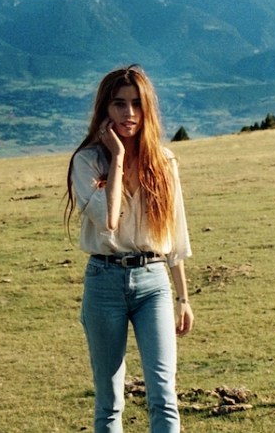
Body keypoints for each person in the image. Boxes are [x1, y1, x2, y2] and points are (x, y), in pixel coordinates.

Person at [64, 65, 194, 433]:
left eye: (136, 103)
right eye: (119, 104)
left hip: (154, 283)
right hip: (104, 282)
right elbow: (108, 219)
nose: (129, 113)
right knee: (109, 403)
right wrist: (118, 158)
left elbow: (174, 233)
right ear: (105, 109)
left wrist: (182, 297)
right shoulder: (88, 161)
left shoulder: (164, 162)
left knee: (164, 397)